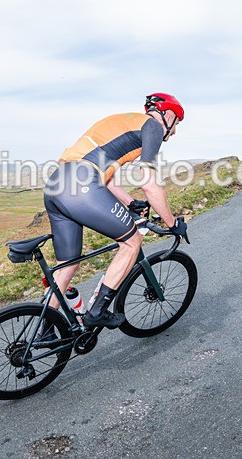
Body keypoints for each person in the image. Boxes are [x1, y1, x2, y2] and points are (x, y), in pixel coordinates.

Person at [42, 92, 184, 329]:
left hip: (57, 186)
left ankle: (45, 328)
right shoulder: (153, 128)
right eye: (177, 123)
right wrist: (172, 223)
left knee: (67, 264)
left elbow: (103, 175)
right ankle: (97, 310)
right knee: (132, 242)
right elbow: (148, 183)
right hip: (81, 185)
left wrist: (130, 203)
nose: (175, 131)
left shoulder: (121, 122)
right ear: (168, 115)